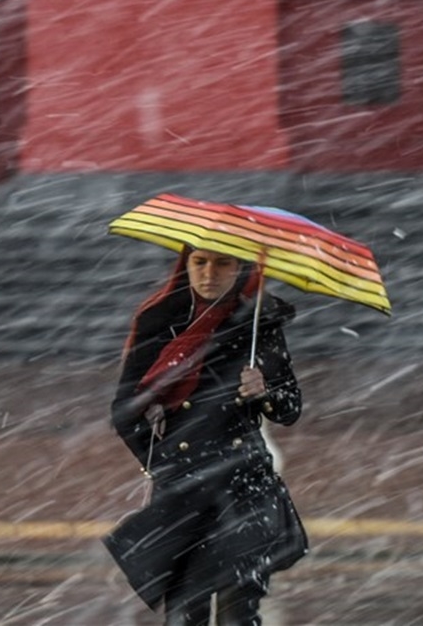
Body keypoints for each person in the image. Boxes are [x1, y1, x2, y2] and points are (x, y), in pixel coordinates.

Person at [108, 245, 308, 626]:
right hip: (183, 486)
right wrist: (160, 462)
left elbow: (290, 409)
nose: (209, 273)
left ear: (241, 268)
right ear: (186, 265)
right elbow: (125, 411)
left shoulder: (258, 323)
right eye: (199, 262)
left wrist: (265, 390)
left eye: (222, 263)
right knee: (185, 611)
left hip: (245, 483)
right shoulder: (161, 321)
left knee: (240, 610)